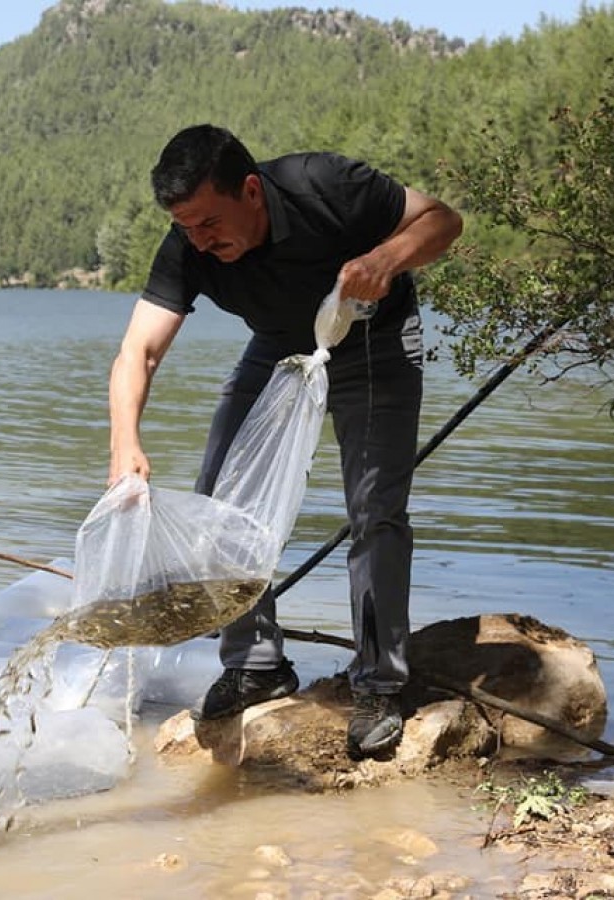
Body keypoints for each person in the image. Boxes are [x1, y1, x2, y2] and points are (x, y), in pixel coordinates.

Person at [108, 124, 461, 759]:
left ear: (250, 190)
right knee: (217, 499)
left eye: (209, 223)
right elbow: (140, 350)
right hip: (278, 345)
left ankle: (379, 684)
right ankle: (257, 664)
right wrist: (123, 444)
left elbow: (443, 220)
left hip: (374, 339)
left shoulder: (323, 185)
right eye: (186, 227)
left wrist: (385, 260)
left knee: (374, 512)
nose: (200, 241)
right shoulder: (187, 246)